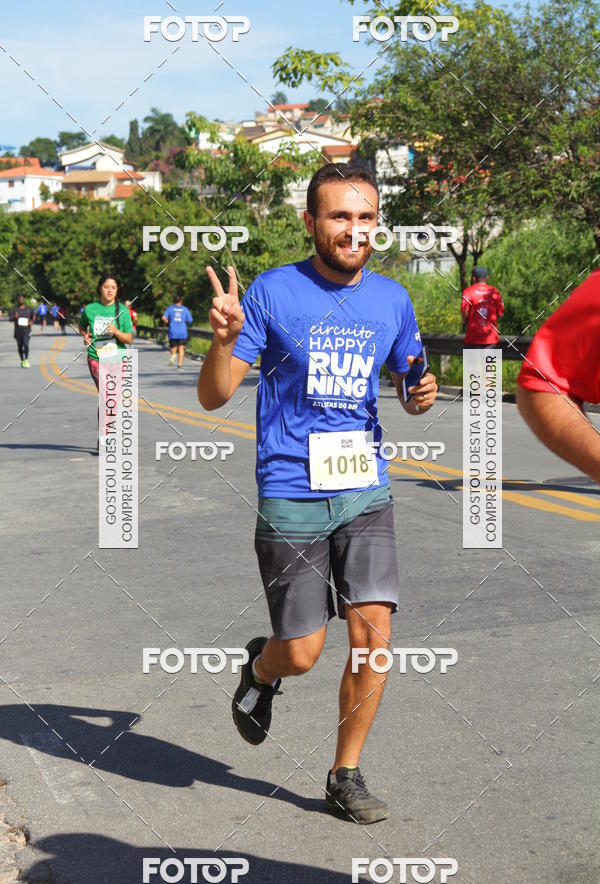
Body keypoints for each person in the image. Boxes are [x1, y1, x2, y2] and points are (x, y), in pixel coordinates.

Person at [197, 162, 438, 825]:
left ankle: (345, 773)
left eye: (364, 217)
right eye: (338, 216)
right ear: (311, 223)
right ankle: (264, 671)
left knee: (373, 636)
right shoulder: (274, 293)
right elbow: (214, 394)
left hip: (365, 488)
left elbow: (410, 382)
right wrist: (222, 342)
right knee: (302, 651)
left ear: (376, 224)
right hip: (290, 489)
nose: (352, 230)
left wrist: (421, 394)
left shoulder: (392, 299)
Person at [516, 269, 600, 484]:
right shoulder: (491, 293)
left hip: (476, 336)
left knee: (478, 363)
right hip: (487, 337)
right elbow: (541, 383)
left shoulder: (470, 292)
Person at [79, 274, 133, 451]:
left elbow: (129, 339)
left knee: (112, 400)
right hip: (97, 358)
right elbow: (82, 326)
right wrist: (84, 336)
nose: (109, 290)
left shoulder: (123, 311)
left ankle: (105, 435)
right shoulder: (90, 309)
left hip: (118, 359)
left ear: (117, 291)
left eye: (113, 287)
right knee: (106, 396)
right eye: (106, 286)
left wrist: (116, 332)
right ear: (100, 288)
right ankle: (105, 437)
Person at [461, 266, 504, 349]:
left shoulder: (468, 291)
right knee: (488, 362)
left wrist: (464, 320)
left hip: (472, 338)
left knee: (472, 362)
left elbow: (464, 308)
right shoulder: (494, 291)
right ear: (487, 278)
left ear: (474, 279)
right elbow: (501, 314)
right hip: (491, 339)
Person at [162, 296, 193, 369]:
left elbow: (163, 318)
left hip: (173, 331)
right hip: (182, 331)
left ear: (173, 301)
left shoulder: (170, 308)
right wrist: (184, 321)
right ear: (181, 301)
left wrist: (169, 322)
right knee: (181, 348)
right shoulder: (185, 309)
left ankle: (173, 355)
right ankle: (179, 365)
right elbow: (190, 320)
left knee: (173, 348)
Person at [9, 296, 35, 367]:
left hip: (27, 330)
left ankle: (26, 359)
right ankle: (22, 360)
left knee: (26, 344)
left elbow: (34, 316)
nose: (21, 300)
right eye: (19, 299)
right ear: (18, 300)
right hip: (18, 331)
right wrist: (15, 317)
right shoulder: (14, 309)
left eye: (22, 299)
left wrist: (31, 322)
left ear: (23, 300)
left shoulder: (28, 309)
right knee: (20, 346)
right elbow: (10, 319)